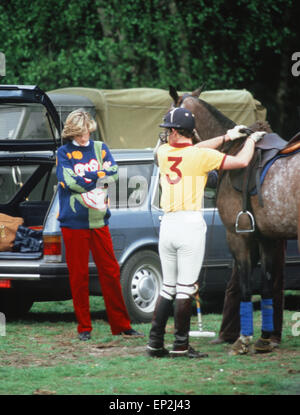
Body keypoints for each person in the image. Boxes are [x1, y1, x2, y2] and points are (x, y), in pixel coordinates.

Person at [147, 107, 266, 358]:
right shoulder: (199, 157)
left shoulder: (163, 152)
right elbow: (242, 161)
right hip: (189, 225)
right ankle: (180, 345)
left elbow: (195, 148)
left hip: (167, 225)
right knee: (185, 288)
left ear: (179, 132)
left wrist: (226, 137)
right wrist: (251, 141)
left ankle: (155, 343)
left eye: (169, 130)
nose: (166, 134)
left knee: (167, 286)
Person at [56, 109, 144, 341]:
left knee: (111, 271)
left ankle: (122, 325)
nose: (85, 136)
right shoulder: (63, 152)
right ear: (72, 131)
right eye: (80, 132)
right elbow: (67, 181)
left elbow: (113, 174)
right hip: (73, 223)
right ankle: (84, 327)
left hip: (99, 220)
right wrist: (97, 176)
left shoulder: (100, 148)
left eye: (87, 131)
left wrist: (90, 177)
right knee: (79, 275)